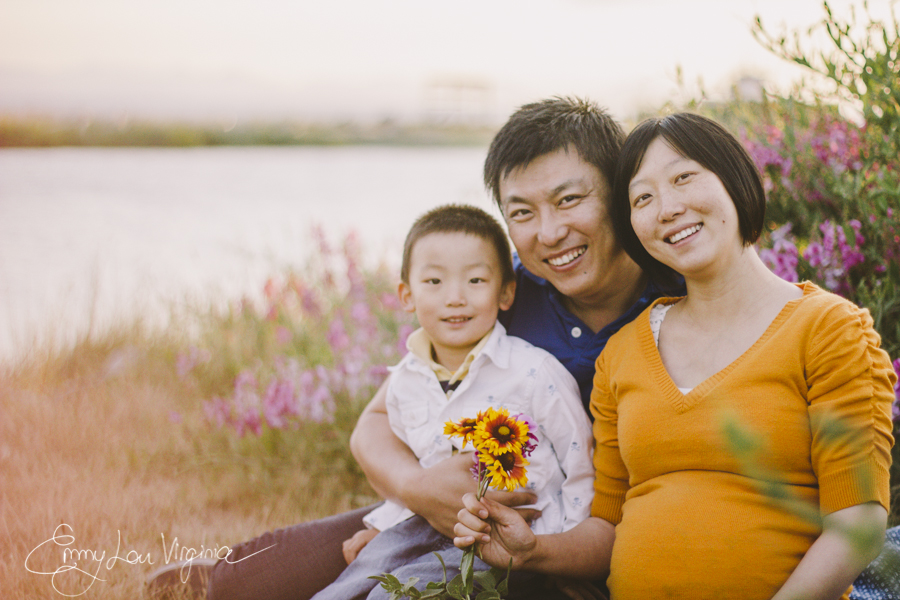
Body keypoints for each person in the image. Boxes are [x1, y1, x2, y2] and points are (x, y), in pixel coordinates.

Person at [201, 97, 660, 600]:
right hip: (462, 513)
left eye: (569, 200)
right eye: (522, 212)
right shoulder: (498, 290)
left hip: (573, 539)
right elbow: (374, 426)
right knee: (236, 579)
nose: (549, 233)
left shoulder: (676, 295)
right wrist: (420, 494)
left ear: (618, 192)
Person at [453, 112, 897, 600]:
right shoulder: (623, 353)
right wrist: (531, 550)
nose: (666, 208)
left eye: (683, 178)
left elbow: (858, 518)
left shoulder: (829, 328)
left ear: (735, 178)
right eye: (642, 198)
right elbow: (608, 525)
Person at [308, 203, 594, 600]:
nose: (455, 298)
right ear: (406, 295)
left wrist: (568, 556)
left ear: (506, 291)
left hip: (509, 536)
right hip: (423, 524)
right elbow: (422, 471)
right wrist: (384, 524)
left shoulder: (533, 372)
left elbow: (580, 464)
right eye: (434, 282)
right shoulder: (407, 378)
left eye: (476, 280)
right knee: (348, 585)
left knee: (393, 596)